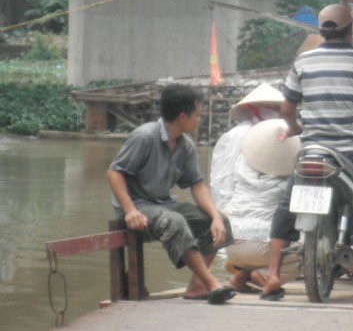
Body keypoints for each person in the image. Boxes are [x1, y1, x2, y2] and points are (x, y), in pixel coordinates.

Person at [261, 3, 353, 301]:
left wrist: (295, 127)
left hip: (313, 151)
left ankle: (273, 275)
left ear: (320, 31)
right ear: (351, 31)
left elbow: (287, 108)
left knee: (285, 206)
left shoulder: (303, 62)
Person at [106, 83, 236, 305]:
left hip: (162, 204)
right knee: (173, 221)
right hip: (137, 208)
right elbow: (114, 172)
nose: (199, 120)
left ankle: (197, 286)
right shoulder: (144, 137)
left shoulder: (185, 145)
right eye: (198, 115)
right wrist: (129, 211)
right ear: (183, 117)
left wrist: (215, 217)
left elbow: (197, 185)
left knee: (220, 220)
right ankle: (212, 283)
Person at [221, 118, 302, 293]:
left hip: (230, 242)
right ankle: (263, 274)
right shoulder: (289, 176)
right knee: (310, 254)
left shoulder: (242, 164)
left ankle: (242, 275)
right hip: (262, 244)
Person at [210, 82, 284, 210]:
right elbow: (226, 173)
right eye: (271, 108)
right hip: (242, 203)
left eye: (277, 108)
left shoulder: (281, 135)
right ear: (256, 108)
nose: (275, 112)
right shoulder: (240, 134)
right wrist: (225, 207)